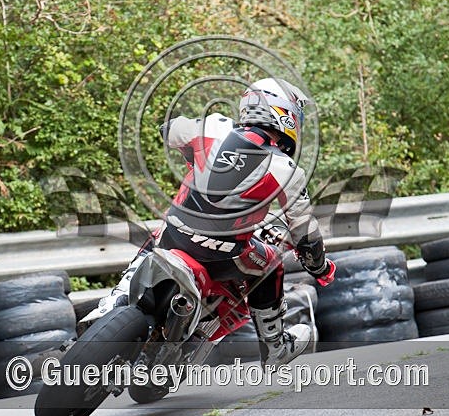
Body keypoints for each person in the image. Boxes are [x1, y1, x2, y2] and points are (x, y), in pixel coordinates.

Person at [84, 78, 335, 367]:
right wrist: (320, 267)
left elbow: (169, 130)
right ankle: (275, 347)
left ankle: (115, 300)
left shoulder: (213, 126)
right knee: (270, 265)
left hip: (176, 235)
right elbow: (306, 236)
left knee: (157, 236)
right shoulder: (287, 169)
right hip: (225, 254)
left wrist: (193, 154)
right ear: (283, 113)